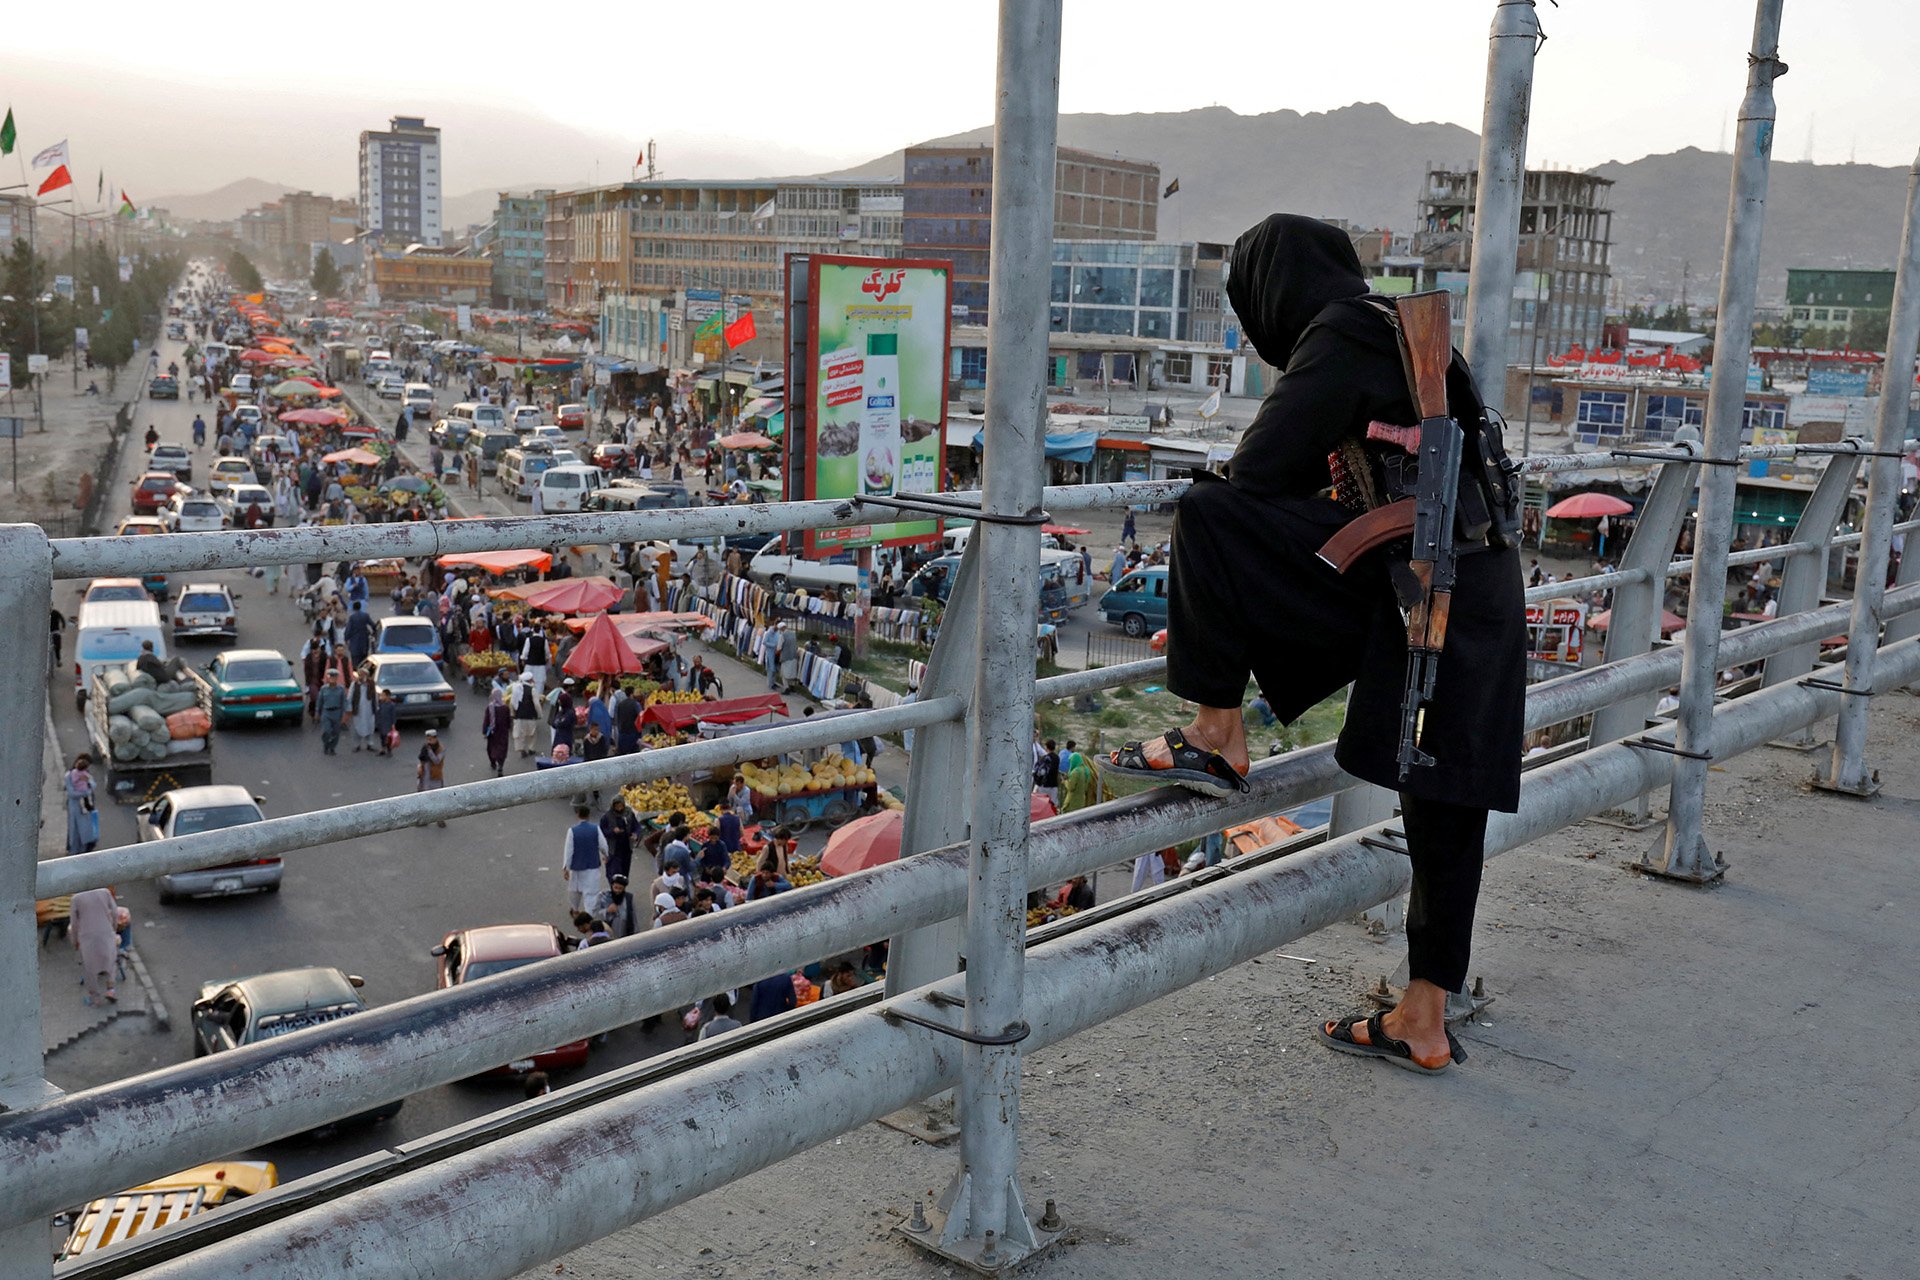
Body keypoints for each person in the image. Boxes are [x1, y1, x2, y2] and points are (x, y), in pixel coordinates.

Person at [1099, 214, 1524, 1075]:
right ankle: (1425, 1018)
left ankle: (1217, 729)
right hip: (1479, 584)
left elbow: (1255, 476)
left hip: (1420, 583)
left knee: (1208, 515)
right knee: (1445, 804)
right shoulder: (1408, 332)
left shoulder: (1338, 334)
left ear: (1269, 294)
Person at [70, 886, 119, 1006]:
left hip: (87, 936)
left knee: (90, 967)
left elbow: (74, 923)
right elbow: (115, 911)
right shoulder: (104, 892)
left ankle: (95, 997)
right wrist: (114, 928)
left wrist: (74, 941)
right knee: (111, 960)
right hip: (105, 932)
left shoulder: (76, 898)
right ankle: (111, 990)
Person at [562, 804, 609, 914]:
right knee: (591, 894)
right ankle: (590, 915)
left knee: (574, 891)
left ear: (577, 815)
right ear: (588, 815)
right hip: (592, 866)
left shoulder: (572, 831)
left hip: (577, 867)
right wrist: (606, 855)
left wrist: (566, 868)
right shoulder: (595, 829)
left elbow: (568, 851)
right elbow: (603, 845)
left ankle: (575, 909)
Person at [64, 754, 98, 855]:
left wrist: (88, 782)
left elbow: (93, 785)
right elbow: (71, 793)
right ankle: (73, 851)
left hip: (86, 807)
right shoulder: (69, 775)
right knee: (74, 830)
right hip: (74, 806)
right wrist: (85, 792)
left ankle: (84, 850)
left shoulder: (85, 774)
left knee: (86, 829)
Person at [599, 798, 638, 883]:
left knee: (624, 872)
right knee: (614, 872)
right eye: (617, 806)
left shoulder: (629, 814)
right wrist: (612, 831)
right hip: (613, 849)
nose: (619, 808)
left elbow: (636, 826)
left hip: (626, 848)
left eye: (621, 806)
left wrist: (635, 834)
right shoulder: (607, 816)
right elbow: (602, 831)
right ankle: (614, 890)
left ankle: (621, 890)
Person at [416, 728, 448, 825]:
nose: (429, 742)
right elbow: (422, 758)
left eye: (430, 740)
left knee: (437, 798)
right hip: (425, 776)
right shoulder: (425, 748)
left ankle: (440, 819)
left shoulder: (441, 749)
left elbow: (437, 761)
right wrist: (419, 767)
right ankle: (424, 819)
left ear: (435, 738)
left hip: (435, 777)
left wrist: (429, 751)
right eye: (427, 739)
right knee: (424, 797)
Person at [597, 873, 640, 939]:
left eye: (620, 888)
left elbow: (634, 918)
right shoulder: (603, 896)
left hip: (625, 933)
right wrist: (607, 911)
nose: (617, 891)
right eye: (615, 888)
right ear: (612, 886)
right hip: (607, 934)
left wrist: (636, 935)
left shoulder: (629, 898)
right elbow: (595, 914)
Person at [316, 669, 348, 755]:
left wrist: (344, 715)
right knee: (326, 731)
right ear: (328, 678)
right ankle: (326, 744)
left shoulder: (341, 689)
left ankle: (332, 747)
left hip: (337, 712)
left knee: (336, 732)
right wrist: (317, 713)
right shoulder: (323, 689)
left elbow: (344, 702)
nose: (332, 679)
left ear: (336, 678)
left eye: (334, 677)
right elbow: (319, 701)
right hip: (326, 712)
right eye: (331, 677)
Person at [481, 687, 511, 776]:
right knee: (502, 748)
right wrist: (508, 728)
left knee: (491, 748)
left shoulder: (490, 707)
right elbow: (508, 720)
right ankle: (500, 765)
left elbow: (487, 720)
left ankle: (493, 762)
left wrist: (484, 731)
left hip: (492, 732)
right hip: (503, 732)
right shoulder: (505, 708)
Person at [511, 671, 542, 758]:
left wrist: (513, 712)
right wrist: (539, 714)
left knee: (520, 734)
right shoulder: (532, 690)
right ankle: (531, 748)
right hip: (530, 715)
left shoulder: (516, 688)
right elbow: (536, 704)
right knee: (531, 734)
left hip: (519, 715)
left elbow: (513, 703)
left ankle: (522, 749)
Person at [348, 669, 378, 752]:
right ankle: (357, 745)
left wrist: (376, 706)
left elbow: (375, 696)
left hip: (369, 709)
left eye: (364, 675)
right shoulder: (355, 684)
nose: (363, 676)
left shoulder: (371, 684)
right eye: (361, 675)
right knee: (357, 727)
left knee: (370, 727)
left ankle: (370, 744)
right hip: (358, 710)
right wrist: (349, 707)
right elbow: (350, 696)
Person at [344, 600, 375, 667]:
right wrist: (373, 633)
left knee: (355, 661)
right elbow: (373, 625)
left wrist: (346, 638)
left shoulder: (352, 617)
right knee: (364, 660)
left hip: (354, 642)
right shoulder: (365, 615)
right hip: (364, 641)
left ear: (353, 608)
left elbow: (348, 629)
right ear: (360, 607)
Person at [374, 687, 398, 756]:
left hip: (388, 724)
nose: (381, 697)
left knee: (388, 738)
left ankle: (389, 750)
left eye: (383, 695)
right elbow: (378, 713)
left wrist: (393, 724)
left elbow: (393, 715)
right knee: (382, 737)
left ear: (388, 696)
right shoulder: (381, 704)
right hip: (381, 723)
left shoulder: (392, 705)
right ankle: (383, 749)